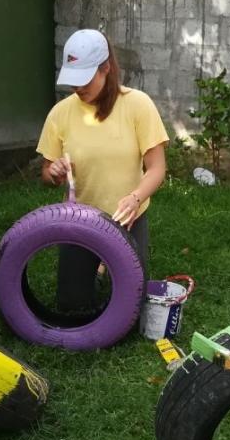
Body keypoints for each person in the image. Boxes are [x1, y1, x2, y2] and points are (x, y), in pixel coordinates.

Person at [37, 29, 169, 312]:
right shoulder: (60, 113)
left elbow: (157, 168)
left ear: (106, 68)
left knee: (133, 309)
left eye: (84, 80)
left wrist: (135, 199)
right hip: (80, 220)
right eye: (73, 81)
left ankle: (105, 268)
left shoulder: (137, 105)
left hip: (128, 217)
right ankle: (95, 269)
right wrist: (54, 172)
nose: (77, 89)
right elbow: (46, 175)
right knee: (71, 307)